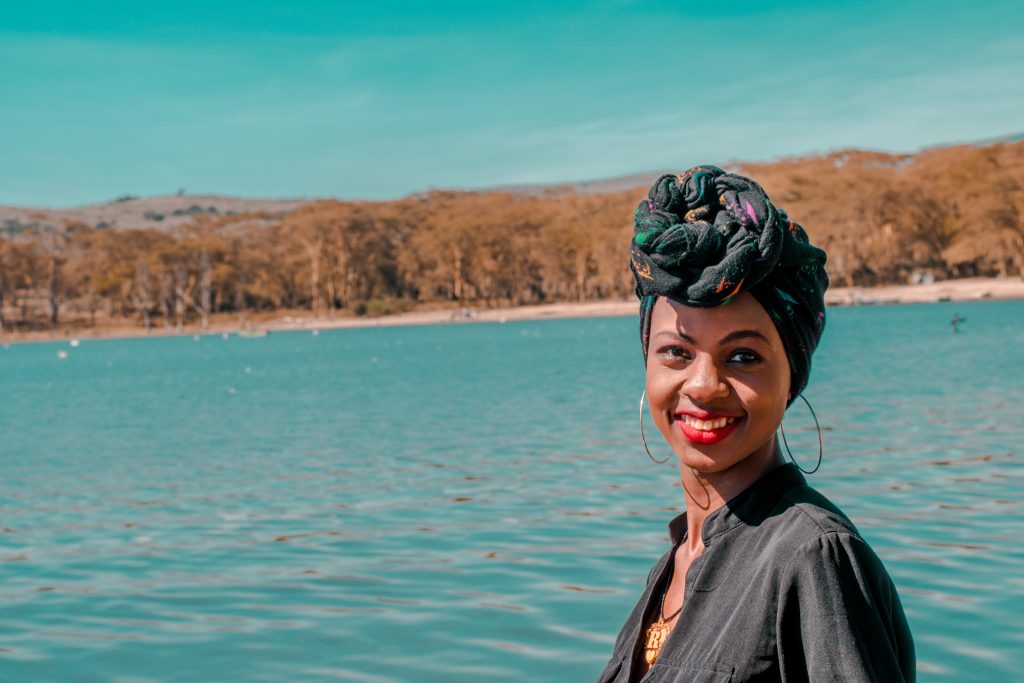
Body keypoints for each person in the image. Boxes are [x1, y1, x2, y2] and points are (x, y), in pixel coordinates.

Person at [595, 167, 915, 683]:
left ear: (792, 376)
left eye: (743, 356)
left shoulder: (812, 557)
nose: (703, 386)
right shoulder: (674, 562)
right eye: (676, 352)